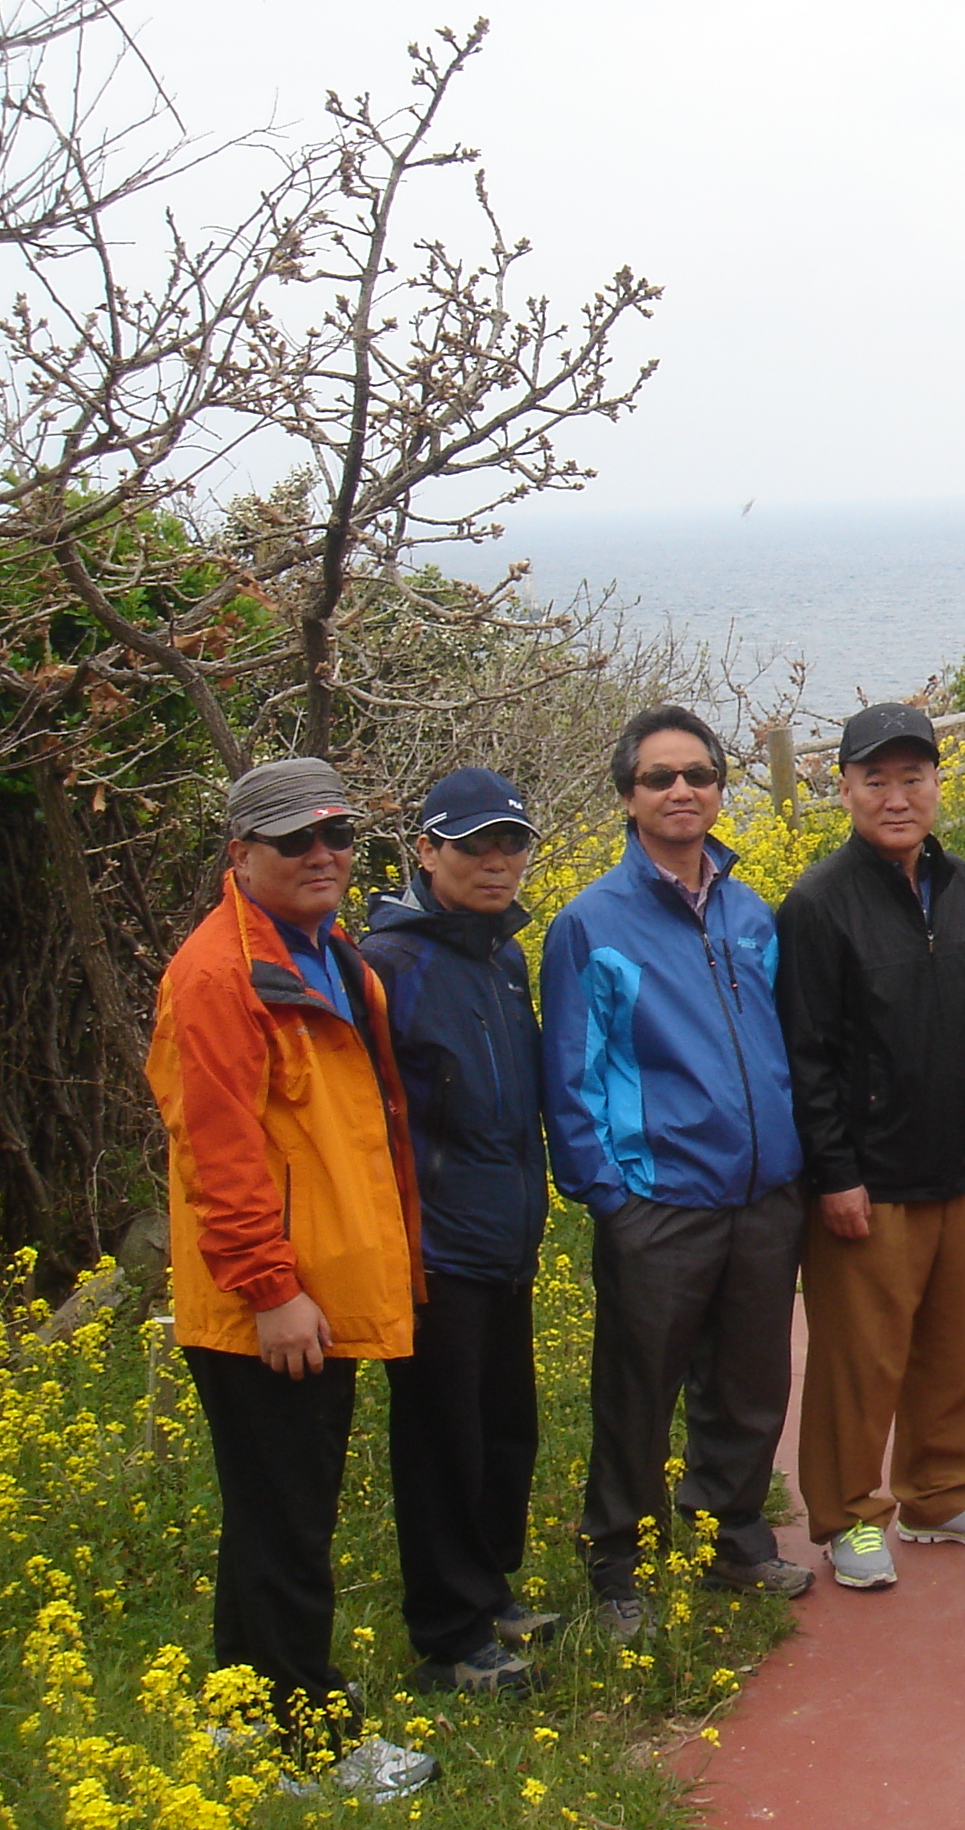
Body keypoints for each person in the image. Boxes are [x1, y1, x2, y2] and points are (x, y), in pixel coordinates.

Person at [147, 756, 440, 1800]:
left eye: (338, 835)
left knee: (271, 1510)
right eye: (294, 841)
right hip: (270, 1307)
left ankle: (242, 1713)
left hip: (314, 1290)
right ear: (241, 855)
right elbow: (216, 1156)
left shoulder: (326, 954)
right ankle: (308, 1740)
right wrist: (272, 1291)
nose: (323, 856)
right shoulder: (218, 977)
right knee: (289, 1523)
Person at [540, 707, 813, 1636]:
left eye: (698, 774)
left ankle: (731, 1537)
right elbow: (571, 1076)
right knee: (637, 1392)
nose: (681, 791)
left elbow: (781, 1043)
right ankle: (617, 1562)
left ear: (721, 790)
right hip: (658, 1202)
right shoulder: (590, 924)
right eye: (659, 777)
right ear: (629, 796)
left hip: (764, 1194)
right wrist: (610, 1198)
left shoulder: (749, 911)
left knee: (750, 1384)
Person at [776, 703, 965, 1590]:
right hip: (870, 1181)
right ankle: (848, 1516)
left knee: (957, 1347)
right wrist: (834, 1173)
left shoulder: (963, 887)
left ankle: (939, 1494)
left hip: (959, 1168)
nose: (897, 797)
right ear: (844, 788)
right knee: (861, 1360)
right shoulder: (817, 903)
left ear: (936, 784)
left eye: (913, 777)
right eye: (876, 779)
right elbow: (806, 1054)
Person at [361, 767, 558, 1696]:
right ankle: (448, 1634)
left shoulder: (502, 956)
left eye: (511, 843)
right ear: (426, 852)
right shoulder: (386, 966)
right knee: (442, 1443)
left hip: (506, 1234)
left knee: (504, 1429)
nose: (496, 861)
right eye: (474, 845)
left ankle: (491, 1592)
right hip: (434, 1247)